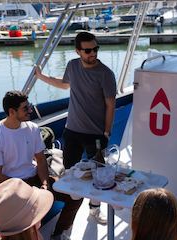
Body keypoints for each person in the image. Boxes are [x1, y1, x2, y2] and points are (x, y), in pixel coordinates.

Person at [0, 90, 84, 240]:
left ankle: (59, 232)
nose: (30, 110)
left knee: (75, 195)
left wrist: (45, 183)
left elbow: (40, 159)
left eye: (29, 106)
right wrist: (25, 190)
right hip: (12, 186)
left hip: (35, 177)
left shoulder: (32, 128)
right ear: (12, 112)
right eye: (26, 108)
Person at [35, 31, 117, 226]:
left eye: (95, 49)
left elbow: (111, 105)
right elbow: (64, 85)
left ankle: (94, 209)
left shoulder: (106, 74)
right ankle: (71, 210)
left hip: (96, 133)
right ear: (78, 51)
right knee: (71, 170)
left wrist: (106, 133)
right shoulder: (72, 65)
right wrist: (41, 77)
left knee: (99, 172)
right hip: (72, 130)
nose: (93, 53)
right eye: (88, 50)